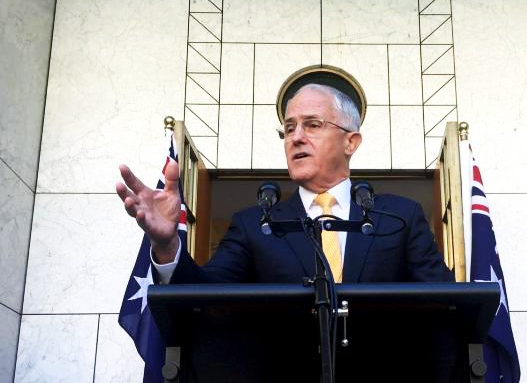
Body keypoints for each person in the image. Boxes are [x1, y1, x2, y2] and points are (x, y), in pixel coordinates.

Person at [116, 83, 453, 284]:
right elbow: (204, 294)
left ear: (351, 142)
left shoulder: (400, 217)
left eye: (313, 125)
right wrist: (167, 245)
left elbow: (446, 305)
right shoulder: (255, 225)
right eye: (289, 128)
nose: (297, 138)